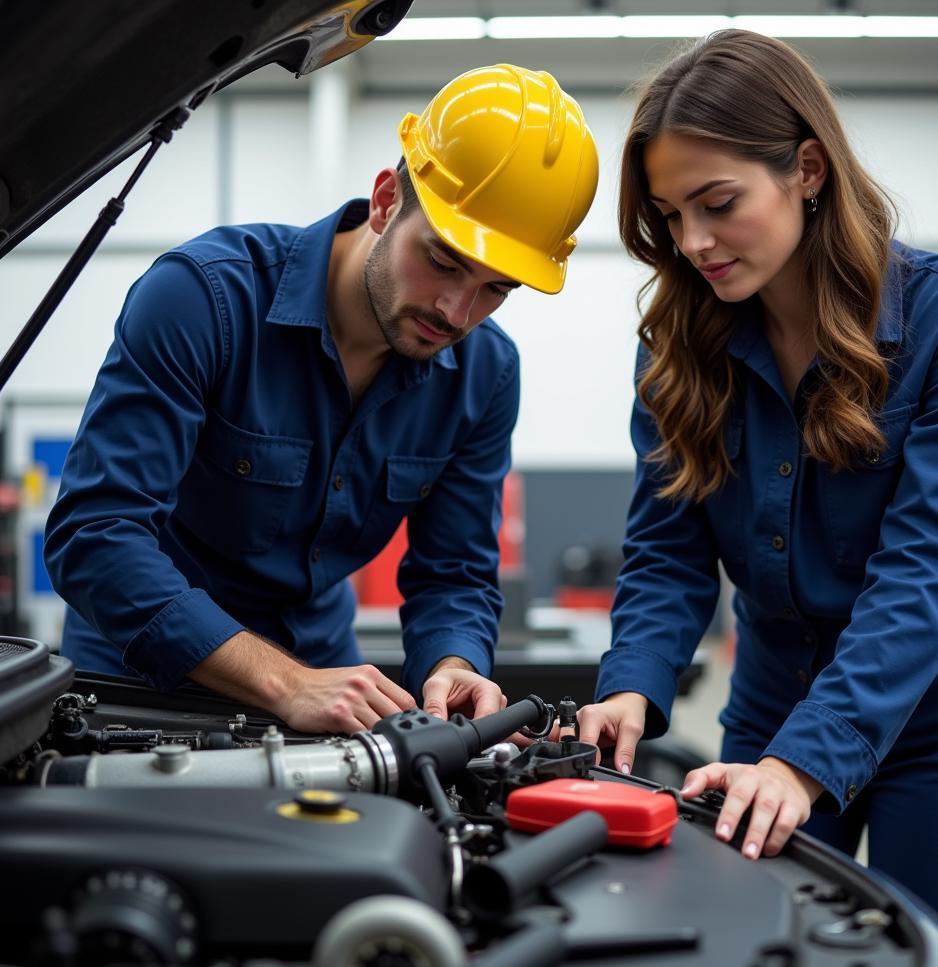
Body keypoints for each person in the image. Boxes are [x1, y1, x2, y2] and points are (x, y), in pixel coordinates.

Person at [567, 30, 938, 967]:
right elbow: (668, 551)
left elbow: (928, 569)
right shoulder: (675, 352)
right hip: (772, 704)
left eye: (717, 203)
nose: (692, 243)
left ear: (807, 169)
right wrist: (630, 685)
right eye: (668, 213)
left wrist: (804, 763)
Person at [43, 64, 599, 736]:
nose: (457, 310)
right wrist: (282, 681)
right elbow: (96, 536)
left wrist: (453, 662)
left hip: (323, 682)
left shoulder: (485, 372)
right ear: (388, 198)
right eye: (445, 262)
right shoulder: (203, 300)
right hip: (139, 687)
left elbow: (453, 573)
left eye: (497, 288)